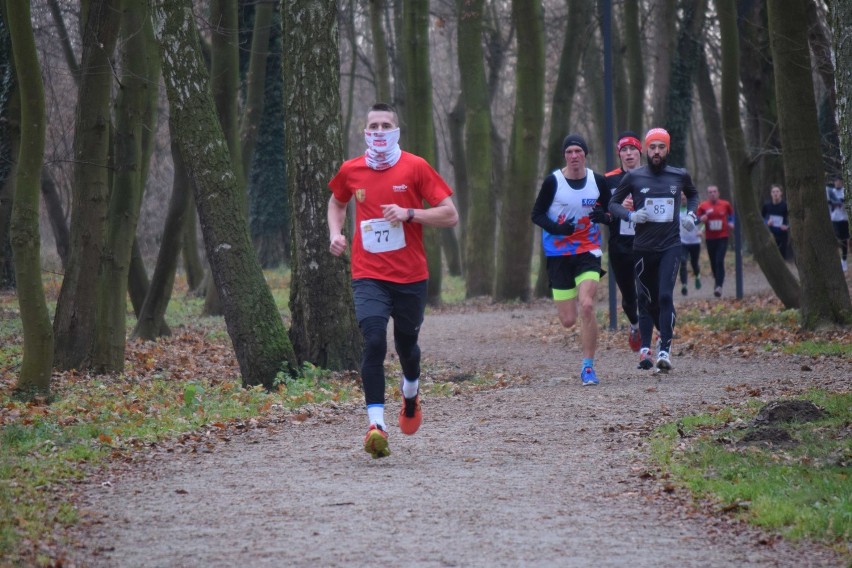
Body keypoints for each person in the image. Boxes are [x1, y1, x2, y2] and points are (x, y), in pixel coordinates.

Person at [327, 102, 459, 459]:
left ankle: (411, 392)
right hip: (368, 273)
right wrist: (335, 233)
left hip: (411, 276)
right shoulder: (351, 170)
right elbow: (336, 202)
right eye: (374, 126)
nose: (380, 131)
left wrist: (410, 213)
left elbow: (450, 214)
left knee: (407, 348)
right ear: (365, 132)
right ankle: (376, 425)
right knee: (372, 340)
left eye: (387, 125)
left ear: (396, 131)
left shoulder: (415, 166)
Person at [609, 127, 699, 371]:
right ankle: (646, 348)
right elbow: (613, 204)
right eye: (653, 147)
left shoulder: (679, 175)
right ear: (646, 150)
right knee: (645, 299)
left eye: (661, 147)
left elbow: (693, 195)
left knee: (665, 296)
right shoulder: (634, 177)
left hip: (670, 246)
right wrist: (631, 215)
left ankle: (665, 350)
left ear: (667, 149)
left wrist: (692, 213)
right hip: (642, 248)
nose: (657, 151)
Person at [531, 134, 609, 386]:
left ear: (585, 154)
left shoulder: (597, 181)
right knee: (568, 320)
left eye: (578, 151)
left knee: (587, 305)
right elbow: (537, 214)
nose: (574, 156)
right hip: (558, 254)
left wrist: (604, 215)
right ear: (565, 155)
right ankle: (579, 337)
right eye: (569, 152)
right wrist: (557, 228)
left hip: (588, 250)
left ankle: (588, 367)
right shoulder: (553, 182)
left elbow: (610, 212)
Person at [602, 131, 642, 351]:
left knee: (647, 291)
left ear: (639, 152)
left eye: (632, 149)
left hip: (647, 241)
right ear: (619, 154)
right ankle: (635, 325)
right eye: (624, 150)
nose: (628, 154)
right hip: (620, 245)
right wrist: (615, 212)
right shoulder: (608, 179)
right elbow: (601, 210)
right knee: (629, 296)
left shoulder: (651, 176)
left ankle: (647, 337)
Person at [696, 185, 735, 297]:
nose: (712, 194)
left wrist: (732, 222)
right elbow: (696, 219)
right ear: (708, 194)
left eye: (714, 192)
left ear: (718, 193)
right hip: (710, 238)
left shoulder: (725, 204)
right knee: (713, 262)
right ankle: (717, 279)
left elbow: (732, 215)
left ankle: (719, 286)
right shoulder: (703, 206)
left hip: (723, 236)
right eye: (710, 192)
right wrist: (701, 219)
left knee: (719, 260)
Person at [679, 191, 702, 296]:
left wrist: (701, 230)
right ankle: (684, 285)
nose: (683, 197)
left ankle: (697, 275)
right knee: (682, 261)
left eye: (684, 195)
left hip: (695, 241)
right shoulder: (676, 209)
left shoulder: (695, 209)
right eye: (681, 195)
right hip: (682, 241)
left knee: (694, 263)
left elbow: (702, 221)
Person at [827, 174, 849, 272]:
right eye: (836, 181)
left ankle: (844, 261)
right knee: (833, 239)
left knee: (844, 240)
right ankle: (833, 260)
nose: (837, 182)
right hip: (834, 219)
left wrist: (841, 202)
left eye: (839, 181)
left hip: (844, 219)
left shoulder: (846, 192)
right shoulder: (832, 192)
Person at [762, 184, 789, 260]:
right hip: (770, 234)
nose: (775, 193)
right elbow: (761, 218)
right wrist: (767, 222)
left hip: (782, 235)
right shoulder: (766, 206)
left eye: (777, 191)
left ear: (781, 193)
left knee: (782, 258)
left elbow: (792, 219)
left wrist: (787, 226)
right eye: (773, 192)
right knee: (771, 258)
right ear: (771, 194)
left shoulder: (786, 205)